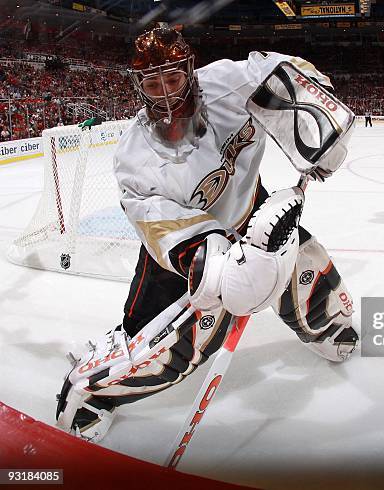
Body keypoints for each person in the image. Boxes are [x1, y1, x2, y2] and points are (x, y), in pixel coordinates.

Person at [55, 27, 358, 442]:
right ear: (138, 86)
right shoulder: (136, 156)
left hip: (252, 208)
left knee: (300, 262)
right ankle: (89, 394)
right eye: (152, 83)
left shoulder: (231, 84)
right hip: (185, 247)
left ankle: (327, 325)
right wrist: (221, 269)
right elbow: (159, 225)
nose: (164, 94)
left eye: (173, 79)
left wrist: (321, 119)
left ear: (190, 71)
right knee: (172, 344)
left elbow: (288, 71)